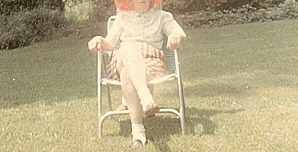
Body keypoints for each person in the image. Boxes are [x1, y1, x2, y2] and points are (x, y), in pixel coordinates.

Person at [88, 0, 186, 148]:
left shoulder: (162, 16)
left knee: (128, 74)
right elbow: (109, 43)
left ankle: (138, 132)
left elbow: (180, 33)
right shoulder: (123, 17)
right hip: (123, 58)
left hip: (150, 63)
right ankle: (145, 96)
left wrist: (175, 36)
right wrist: (98, 39)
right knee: (129, 48)